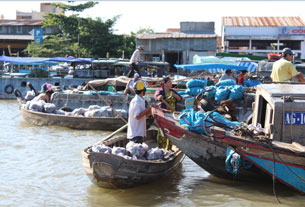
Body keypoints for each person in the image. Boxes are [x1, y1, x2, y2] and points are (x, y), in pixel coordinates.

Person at [154, 77, 182, 150]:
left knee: (172, 132)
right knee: (162, 132)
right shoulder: (160, 91)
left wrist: (175, 96)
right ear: (165, 83)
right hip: (163, 116)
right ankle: (160, 149)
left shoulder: (172, 91)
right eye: (169, 82)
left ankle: (169, 149)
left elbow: (180, 98)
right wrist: (159, 97)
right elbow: (156, 96)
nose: (171, 83)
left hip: (172, 115)